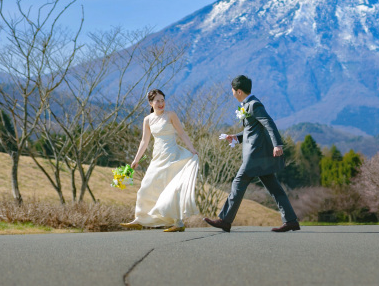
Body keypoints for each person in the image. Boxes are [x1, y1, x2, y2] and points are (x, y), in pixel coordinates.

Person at [204, 75, 299, 233]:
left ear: (238, 91)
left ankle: (225, 220)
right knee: (275, 188)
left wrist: (278, 145)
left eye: (233, 90)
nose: (232, 93)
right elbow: (252, 129)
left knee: (238, 182)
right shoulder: (247, 105)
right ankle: (291, 221)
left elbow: (269, 123)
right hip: (259, 157)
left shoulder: (254, 105)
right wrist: (236, 137)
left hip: (255, 156)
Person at [121, 89, 199, 232]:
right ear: (151, 103)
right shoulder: (147, 120)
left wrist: (192, 149)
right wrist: (136, 159)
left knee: (171, 189)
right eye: (157, 101)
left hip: (172, 156)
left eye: (163, 100)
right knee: (146, 186)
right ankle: (140, 218)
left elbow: (181, 133)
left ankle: (178, 223)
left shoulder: (171, 115)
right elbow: (144, 141)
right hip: (157, 157)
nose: (161, 103)